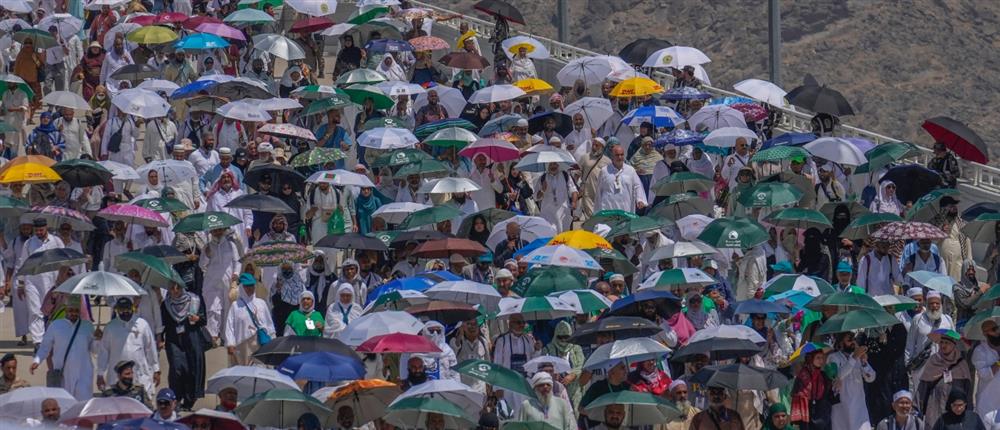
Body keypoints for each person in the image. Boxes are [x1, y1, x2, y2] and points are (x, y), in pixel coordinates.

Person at [96, 297, 160, 396]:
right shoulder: (110, 327)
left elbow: (150, 348)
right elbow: (104, 351)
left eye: (128, 309)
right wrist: (100, 374)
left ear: (133, 308)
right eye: (122, 310)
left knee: (142, 405)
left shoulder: (142, 325)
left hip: (139, 375)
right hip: (117, 378)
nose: (125, 312)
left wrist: (156, 370)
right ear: (117, 310)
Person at [160, 282, 207, 411]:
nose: (175, 291)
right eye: (172, 288)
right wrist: (160, 338)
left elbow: (204, 320)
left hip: (192, 339)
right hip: (173, 340)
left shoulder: (195, 300)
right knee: (176, 368)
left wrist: (197, 318)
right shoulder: (166, 304)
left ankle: (189, 400)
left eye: (178, 287)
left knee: (191, 369)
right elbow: (163, 323)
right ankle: (176, 398)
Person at [919, 329, 971, 421]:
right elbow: (923, 388)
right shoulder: (933, 360)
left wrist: (969, 410)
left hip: (956, 409)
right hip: (935, 406)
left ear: (954, 345)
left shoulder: (962, 364)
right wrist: (917, 409)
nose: (943, 345)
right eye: (941, 342)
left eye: (947, 343)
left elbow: (967, 390)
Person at [828, 331, 876, 430]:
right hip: (842, 407)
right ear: (841, 343)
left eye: (854, 339)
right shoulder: (833, 357)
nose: (853, 342)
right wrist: (854, 357)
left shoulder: (857, 357)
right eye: (849, 340)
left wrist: (863, 361)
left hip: (859, 407)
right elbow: (838, 375)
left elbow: (871, 377)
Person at [225, 273, 275, 365]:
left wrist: (272, 340)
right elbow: (229, 326)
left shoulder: (261, 303)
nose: (250, 288)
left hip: (259, 342)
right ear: (241, 287)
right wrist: (230, 343)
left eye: (252, 285)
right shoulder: (235, 306)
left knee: (259, 369)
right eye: (247, 286)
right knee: (242, 370)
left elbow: (269, 323)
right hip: (241, 344)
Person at [596, 144, 648, 213]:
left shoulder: (630, 170)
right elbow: (599, 191)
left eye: (622, 154)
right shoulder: (604, 171)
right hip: (608, 210)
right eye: (617, 155)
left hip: (626, 209)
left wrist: (640, 199)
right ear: (612, 156)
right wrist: (598, 211)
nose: (620, 157)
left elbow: (637, 185)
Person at [906, 291, 955, 363]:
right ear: (926, 304)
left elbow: (954, 342)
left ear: (941, 305)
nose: (935, 306)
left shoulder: (947, 320)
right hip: (923, 365)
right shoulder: (918, 319)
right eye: (931, 303)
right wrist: (908, 364)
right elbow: (910, 344)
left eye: (937, 303)